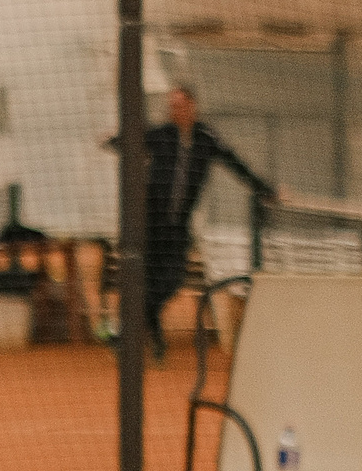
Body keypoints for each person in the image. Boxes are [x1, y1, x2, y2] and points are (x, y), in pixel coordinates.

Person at [108, 86, 274, 361]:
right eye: (171, 106)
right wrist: (114, 139)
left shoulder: (206, 138)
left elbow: (233, 162)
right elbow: (128, 143)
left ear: (193, 106)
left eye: (180, 105)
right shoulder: (162, 135)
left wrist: (263, 189)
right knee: (145, 282)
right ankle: (154, 343)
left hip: (178, 228)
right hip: (150, 224)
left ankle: (128, 334)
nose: (175, 110)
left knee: (170, 282)